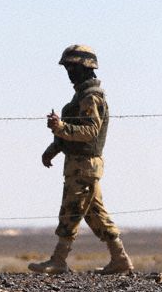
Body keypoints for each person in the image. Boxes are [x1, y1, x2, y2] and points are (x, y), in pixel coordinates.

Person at [29, 45, 134, 275]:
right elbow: (73, 133)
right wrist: (53, 148)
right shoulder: (81, 96)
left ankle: (58, 260)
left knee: (71, 210)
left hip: (84, 165)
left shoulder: (90, 97)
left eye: (73, 67)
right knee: (96, 214)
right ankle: (120, 259)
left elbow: (89, 131)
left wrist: (61, 127)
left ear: (87, 68)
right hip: (81, 165)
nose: (69, 72)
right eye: (67, 67)